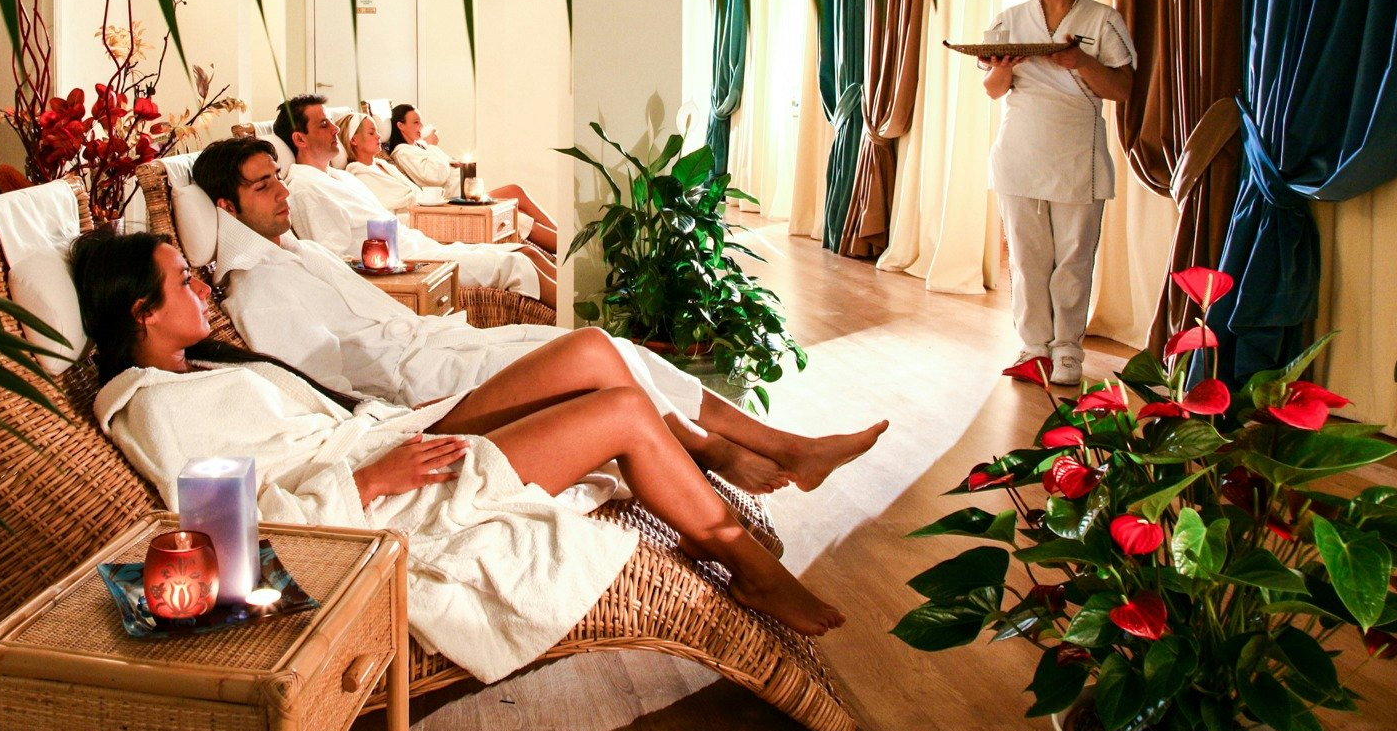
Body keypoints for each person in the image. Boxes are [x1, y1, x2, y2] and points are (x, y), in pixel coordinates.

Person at [74, 227, 846, 685]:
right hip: (390, 495)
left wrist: (391, 436)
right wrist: (367, 481)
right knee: (621, 411)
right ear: (143, 312)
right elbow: (224, 528)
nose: (200, 289)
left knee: (590, 349)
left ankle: (713, 471)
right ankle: (748, 565)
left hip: (389, 440)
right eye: (182, 282)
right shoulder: (151, 406)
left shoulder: (202, 365)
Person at [192, 134, 886, 495]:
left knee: (614, 349)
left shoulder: (300, 252)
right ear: (225, 207)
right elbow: (331, 388)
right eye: (262, 185)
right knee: (597, 356)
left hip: (439, 344)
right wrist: (412, 414)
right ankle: (722, 448)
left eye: (278, 177)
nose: (282, 192)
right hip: (425, 384)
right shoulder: (256, 288)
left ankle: (774, 445)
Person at [979, 0, 1135, 386]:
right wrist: (1003, 69)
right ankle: (1033, 347)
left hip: (1076, 155)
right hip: (1019, 152)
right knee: (1026, 261)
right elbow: (993, 89)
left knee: (1073, 260)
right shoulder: (1010, 21)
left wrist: (1081, 62)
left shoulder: (1102, 21)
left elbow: (1123, 89)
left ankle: (1067, 350)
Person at [273, 95, 557, 307]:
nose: (335, 130)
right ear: (300, 139)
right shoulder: (306, 188)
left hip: (421, 247)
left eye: (333, 123)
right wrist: (402, 269)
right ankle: (573, 325)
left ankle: (575, 310)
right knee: (515, 263)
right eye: (324, 125)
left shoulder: (340, 177)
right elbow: (333, 263)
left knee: (525, 252)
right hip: (409, 266)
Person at [387, 102, 558, 254]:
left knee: (515, 193)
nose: (421, 126)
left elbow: (446, 164)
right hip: (457, 201)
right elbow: (436, 176)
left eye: (421, 122)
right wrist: (432, 146)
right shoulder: (403, 152)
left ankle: (562, 236)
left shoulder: (418, 147)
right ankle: (564, 246)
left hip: (469, 195)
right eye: (416, 122)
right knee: (516, 208)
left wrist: (450, 160)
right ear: (400, 125)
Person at [334, 108, 444, 210]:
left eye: (377, 131)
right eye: (371, 133)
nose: (379, 136)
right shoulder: (360, 175)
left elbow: (413, 192)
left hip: (421, 210)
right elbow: (391, 206)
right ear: (354, 140)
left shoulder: (383, 164)